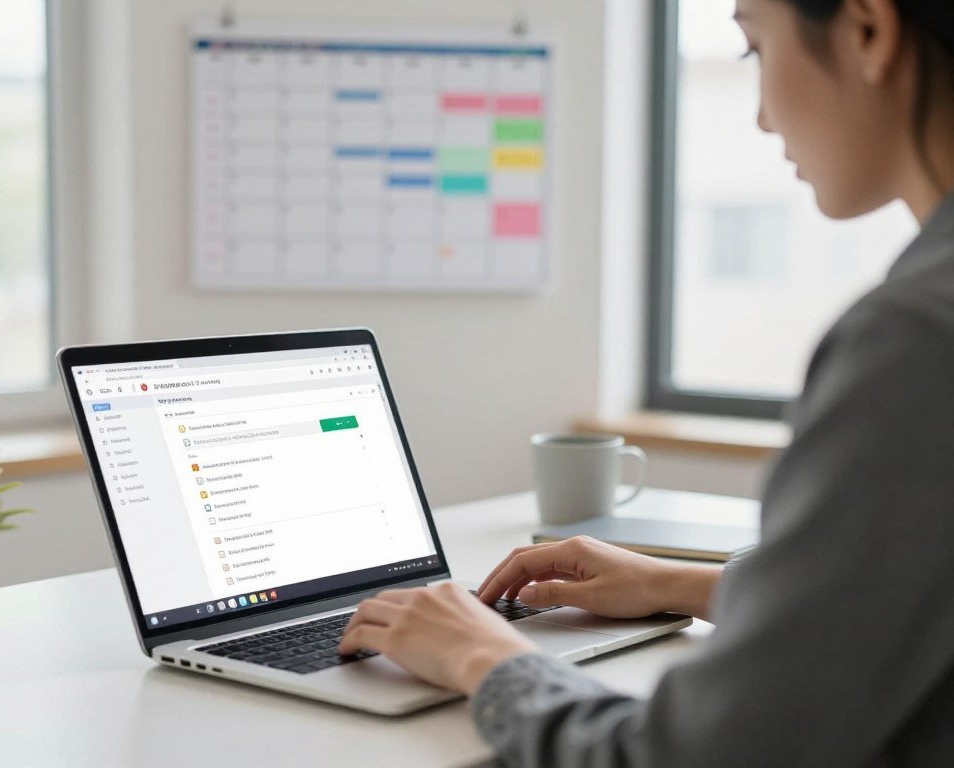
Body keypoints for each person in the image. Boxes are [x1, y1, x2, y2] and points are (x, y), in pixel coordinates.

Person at [339, 0, 954, 764]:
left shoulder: (915, 340)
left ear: (869, 30)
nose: (762, 117)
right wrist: (678, 583)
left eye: (752, 48)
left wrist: (483, 657)